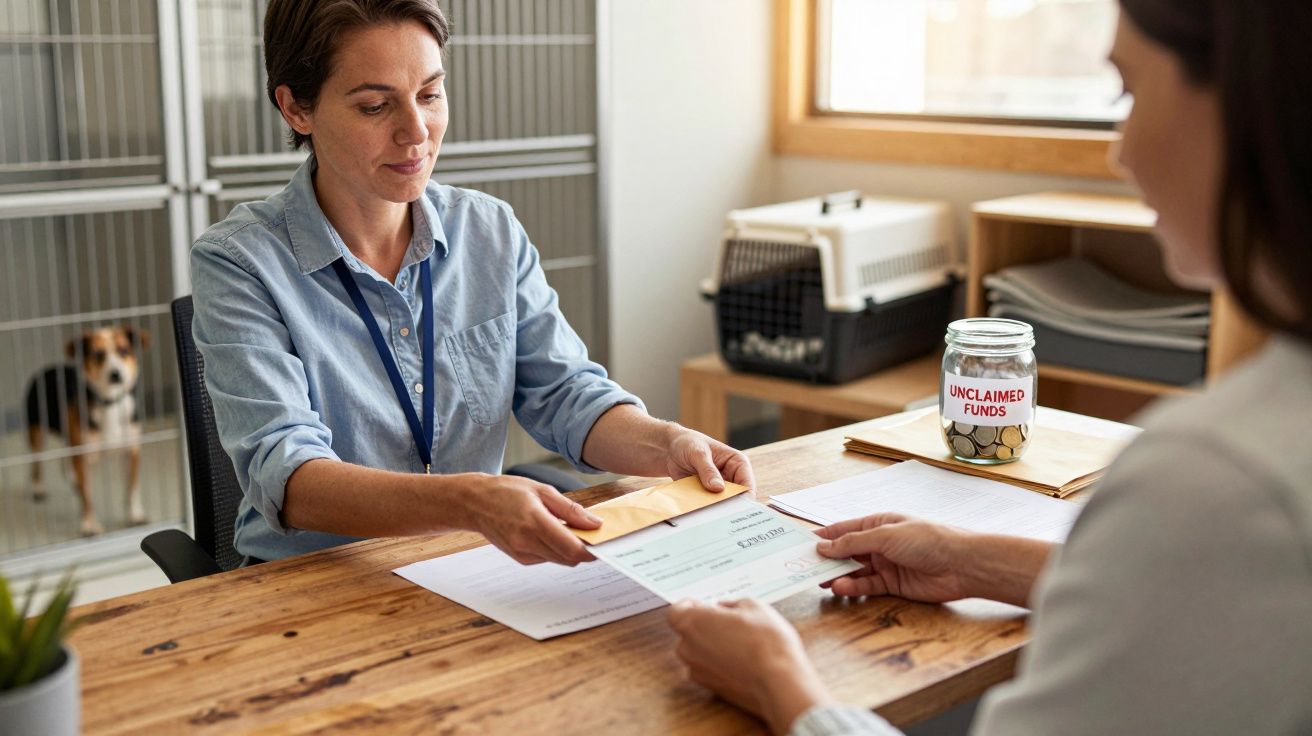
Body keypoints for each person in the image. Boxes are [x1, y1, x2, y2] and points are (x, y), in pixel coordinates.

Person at [668, 1, 1312, 733]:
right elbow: (1205, 598)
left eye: (1129, 93)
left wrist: (781, 686)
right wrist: (974, 562)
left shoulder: (1220, 475)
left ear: (1249, 102)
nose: (1119, 151)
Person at [191, 0, 754, 565]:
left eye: (430, 95)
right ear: (296, 109)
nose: (416, 132)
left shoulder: (488, 229)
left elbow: (565, 394)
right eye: (374, 106)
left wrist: (669, 443)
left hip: (471, 565)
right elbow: (287, 474)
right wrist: (469, 500)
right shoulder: (239, 261)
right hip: (315, 582)